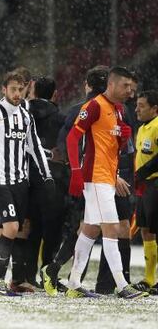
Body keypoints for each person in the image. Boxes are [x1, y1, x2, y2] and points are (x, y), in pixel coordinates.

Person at [62, 66, 147, 299]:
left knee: (90, 229)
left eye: (131, 87)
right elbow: (72, 138)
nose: (129, 91)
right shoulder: (94, 106)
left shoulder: (118, 110)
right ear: (111, 84)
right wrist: (77, 171)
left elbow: (112, 147)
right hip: (96, 177)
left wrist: (121, 140)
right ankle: (122, 285)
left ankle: (74, 283)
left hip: (107, 176)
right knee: (113, 229)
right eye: (125, 86)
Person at [0, 71, 53, 296]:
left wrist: (47, 176)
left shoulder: (26, 116)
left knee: (2, 231)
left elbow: (33, 146)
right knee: (12, 228)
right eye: (13, 89)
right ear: (3, 89)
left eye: (21, 89)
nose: (17, 94)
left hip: (20, 181)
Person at [41, 65, 109, 294]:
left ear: (87, 85)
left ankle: (63, 273)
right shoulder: (107, 109)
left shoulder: (78, 109)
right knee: (90, 227)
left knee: (85, 227)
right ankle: (67, 275)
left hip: (78, 176)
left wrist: (72, 168)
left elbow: (63, 144)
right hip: (95, 178)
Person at [14, 77, 66, 291]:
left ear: (32, 92)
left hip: (28, 177)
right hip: (55, 178)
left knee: (29, 228)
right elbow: (63, 148)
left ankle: (26, 275)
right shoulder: (61, 118)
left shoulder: (23, 113)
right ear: (54, 95)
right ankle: (48, 272)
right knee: (52, 229)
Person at [131, 90, 158, 295]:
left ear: (154, 109)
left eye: (141, 105)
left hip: (156, 183)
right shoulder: (141, 128)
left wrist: (145, 171)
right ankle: (149, 278)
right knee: (146, 230)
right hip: (145, 186)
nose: (137, 109)